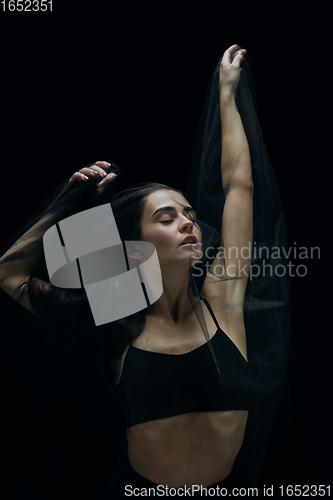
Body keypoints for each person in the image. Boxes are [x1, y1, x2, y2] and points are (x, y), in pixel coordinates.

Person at [0, 45, 292, 498]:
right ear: (134, 245)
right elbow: (10, 274)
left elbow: (238, 183)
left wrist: (227, 96)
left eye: (189, 213)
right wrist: (69, 200)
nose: (188, 222)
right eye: (167, 217)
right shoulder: (117, 315)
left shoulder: (221, 300)